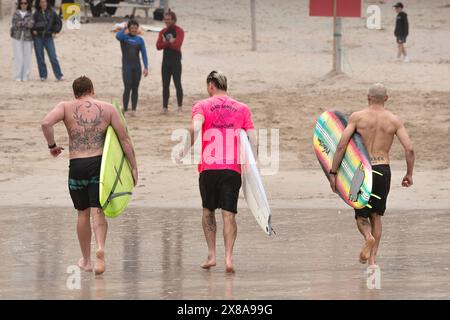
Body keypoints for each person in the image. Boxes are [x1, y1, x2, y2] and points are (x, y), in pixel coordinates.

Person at [41, 76, 138, 275]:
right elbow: (124, 139)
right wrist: (133, 167)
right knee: (98, 210)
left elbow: (46, 123)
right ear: (92, 90)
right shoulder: (108, 109)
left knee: (82, 213)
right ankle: (100, 248)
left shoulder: (65, 107)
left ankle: (86, 260)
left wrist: (52, 146)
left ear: (75, 93)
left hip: (76, 165)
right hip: (98, 165)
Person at [177, 71, 257, 273]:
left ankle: (212, 255)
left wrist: (184, 150)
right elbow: (252, 138)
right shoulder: (242, 108)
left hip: (209, 169)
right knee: (229, 215)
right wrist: (252, 165)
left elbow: (195, 128)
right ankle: (228, 258)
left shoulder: (202, 106)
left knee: (208, 211)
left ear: (211, 85)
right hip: (232, 169)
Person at [329, 83, 415, 267]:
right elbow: (409, 149)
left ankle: (368, 237)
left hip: (361, 170)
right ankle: (373, 261)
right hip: (382, 170)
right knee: (376, 215)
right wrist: (409, 174)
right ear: (386, 98)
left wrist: (333, 172)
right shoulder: (394, 120)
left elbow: (341, 146)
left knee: (362, 215)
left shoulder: (357, 117)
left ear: (368, 97)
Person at [116, 20, 149, 116]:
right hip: (127, 67)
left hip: (137, 67)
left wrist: (146, 67)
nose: (134, 30)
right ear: (129, 28)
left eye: (136, 28)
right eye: (132, 28)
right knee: (127, 87)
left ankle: (134, 110)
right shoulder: (124, 38)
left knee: (135, 88)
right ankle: (125, 110)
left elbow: (144, 54)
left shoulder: (140, 40)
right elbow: (118, 36)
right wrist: (124, 29)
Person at [156, 10, 184, 113]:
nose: (166, 21)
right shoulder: (162, 31)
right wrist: (169, 42)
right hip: (166, 62)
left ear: (173, 20)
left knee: (177, 84)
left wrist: (166, 42)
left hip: (176, 61)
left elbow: (177, 46)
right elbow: (158, 46)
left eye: (168, 19)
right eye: (165, 19)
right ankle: (165, 107)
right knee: (165, 85)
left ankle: (180, 106)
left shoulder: (179, 31)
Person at [32, 0, 64, 81]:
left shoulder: (52, 12)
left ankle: (59, 75)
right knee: (40, 57)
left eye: (44, 2)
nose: (43, 3)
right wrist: (33, 30)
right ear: (38, 3)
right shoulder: (36, 14)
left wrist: (55, 31)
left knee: (53, 57)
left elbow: (58, 23)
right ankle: (43, 76)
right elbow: (31, 24)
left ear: (47, 3)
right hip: (37, 37)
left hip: (48, 37)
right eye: (41, 2)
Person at [10, 0, 34, 82]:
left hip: (27, 38)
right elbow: (15, 24)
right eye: (22, 3)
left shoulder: (30, 13)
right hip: (17, 37)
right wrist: (25, 23)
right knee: (18, 57)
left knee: (27, 57)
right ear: (19, 4)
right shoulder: (16, 13)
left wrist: (21, 24)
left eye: (25, 3)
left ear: (28, 4)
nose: (23, 5)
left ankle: (25, 75)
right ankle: (18, 75)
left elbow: (31, 24)